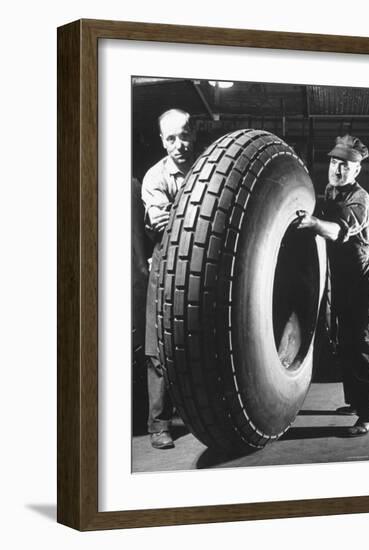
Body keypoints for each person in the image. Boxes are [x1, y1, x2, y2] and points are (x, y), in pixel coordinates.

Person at [295, 135, 369, 437]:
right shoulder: (332, 190)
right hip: (343, 278)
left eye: (345, 166)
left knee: (363, 344)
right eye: (334, 162)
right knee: (345, 340)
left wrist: (313, 224)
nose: (337, 169)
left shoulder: (360, 200)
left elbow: (336, 230)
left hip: (364, 280)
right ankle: (356, 403)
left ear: (357, 170)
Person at [141, 109, 196, 449]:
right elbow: (164, 226)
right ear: (163, 141)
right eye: (171, 138)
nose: (179, 144)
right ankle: (159, 424)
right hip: (166, 263)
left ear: (195, 133)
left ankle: (199, 415)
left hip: (206, 267)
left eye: (185, 135)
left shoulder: (210, 167)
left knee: (200, 342)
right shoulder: (154, 177)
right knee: (157, 347)